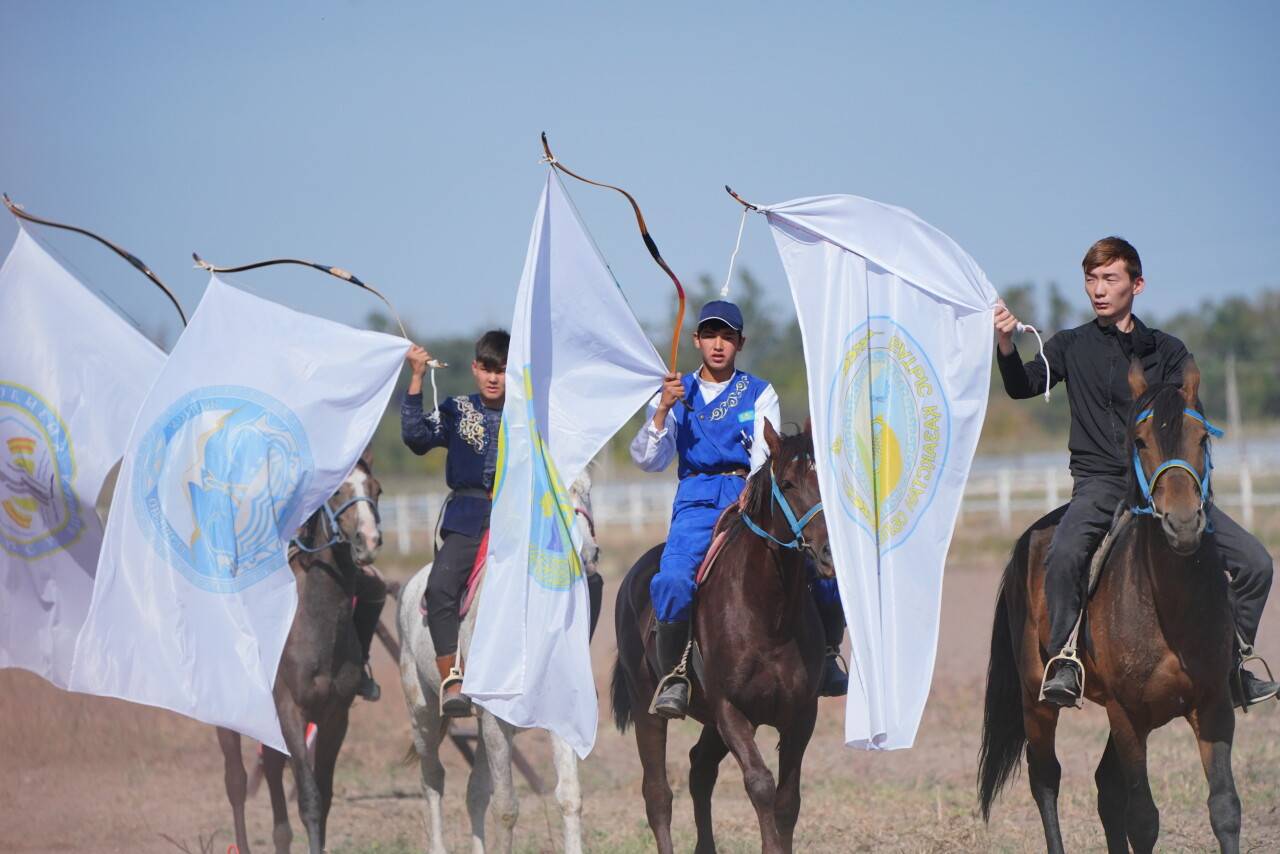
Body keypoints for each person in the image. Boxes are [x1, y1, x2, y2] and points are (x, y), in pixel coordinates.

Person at [995, 236, 1276, 709]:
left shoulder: (1168, 351)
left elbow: (1188, 424)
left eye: (1110, 278)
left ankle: (1232, 663)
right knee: (1062, 553)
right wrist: (1004, 342)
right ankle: (1065, 658)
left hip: (1161, 490)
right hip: (1100, 485)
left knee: (1256, 564)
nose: (1098, 289)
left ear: (1137, 284)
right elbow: (1023, 386)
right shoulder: (1069, 346)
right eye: (1091, 279)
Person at [632, 299, 848, 719]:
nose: (718, 345)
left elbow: (766, 455)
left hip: (749, 492)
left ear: (740, 343)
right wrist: (662, 409)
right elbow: (650, 459)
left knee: (822, 568)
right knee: (673, 580)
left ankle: (825, 656)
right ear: (696, 340)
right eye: (710, 335)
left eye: (727, 337)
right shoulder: (676, 392)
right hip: (695, 499)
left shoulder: (759, 391)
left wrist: (752, 492)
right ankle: (676, 674)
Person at [401, 330, 508, 717]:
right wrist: (415, 377)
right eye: (488, 369)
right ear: (475, 368)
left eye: (503, 371)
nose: (495, 378)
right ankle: (452, 679)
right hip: (469, 518)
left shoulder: (530, 414)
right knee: (440, 586)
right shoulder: (456, 409)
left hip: (521, 519)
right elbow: (416, 438)